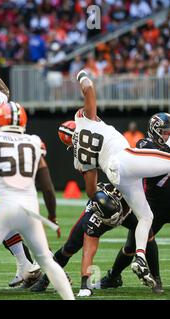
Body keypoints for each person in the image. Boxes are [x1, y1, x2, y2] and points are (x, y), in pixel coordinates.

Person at [0, 102, 74, 300]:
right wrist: (52, 216)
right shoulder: (33, 141)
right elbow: (47, 186)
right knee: (47, 261)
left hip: (2, 206)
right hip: (29, 210)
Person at [67, 69, 170, 288]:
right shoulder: (88, 120)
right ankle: (138, 257)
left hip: (117, 177)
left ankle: (140, 257)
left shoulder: (79, 157)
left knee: (146, 216)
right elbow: (89, 89)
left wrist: (104, 204)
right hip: (124, 159)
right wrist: (81, 75)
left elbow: (91, 191)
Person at [30, 182, 158, 296]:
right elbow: (88, 253)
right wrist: (85, 285)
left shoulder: (129, 198)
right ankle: (46, 278)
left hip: (127, 212)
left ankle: (156, 278)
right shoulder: (94, 219)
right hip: (100, 214)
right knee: (70, 247)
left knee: (148, 234)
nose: (111, 222)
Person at [100, 113, 170, 294]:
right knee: (132, 245)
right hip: (153, 203)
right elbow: (159, 159)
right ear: (155, 131)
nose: (167, 135)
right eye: (164, 132)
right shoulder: (145, 144)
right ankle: (114, 276)